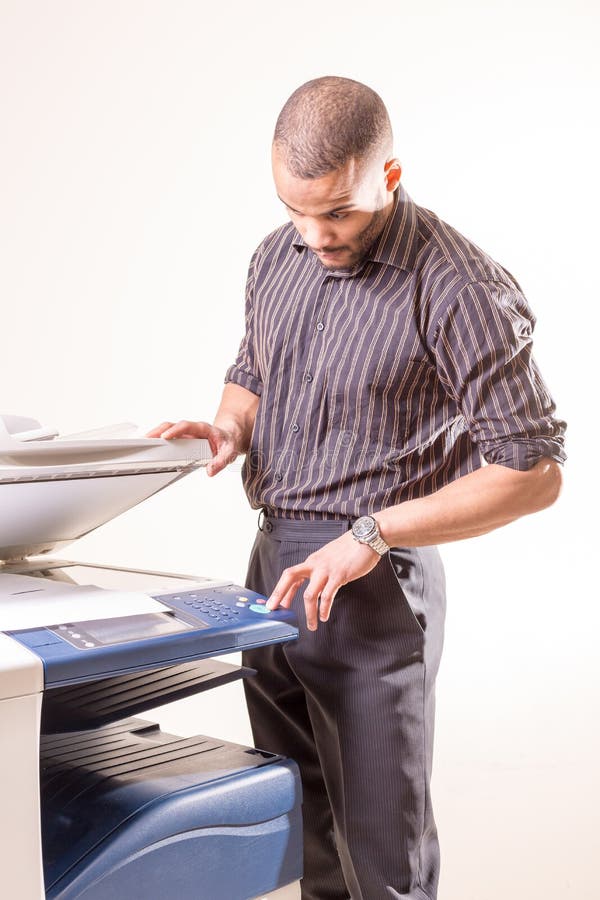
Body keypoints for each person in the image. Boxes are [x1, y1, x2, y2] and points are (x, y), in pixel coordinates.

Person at [148, 76, 566, 900]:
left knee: (384, 860)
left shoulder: (460, 288)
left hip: (377, 580)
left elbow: (533, 471)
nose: (314, 235)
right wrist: (231, 427)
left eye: (337, 212)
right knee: (304, 832)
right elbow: (252, 370)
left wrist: (372, 534)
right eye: (296, 210)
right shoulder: (277, 253)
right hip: (272, 567)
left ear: (390, 177)